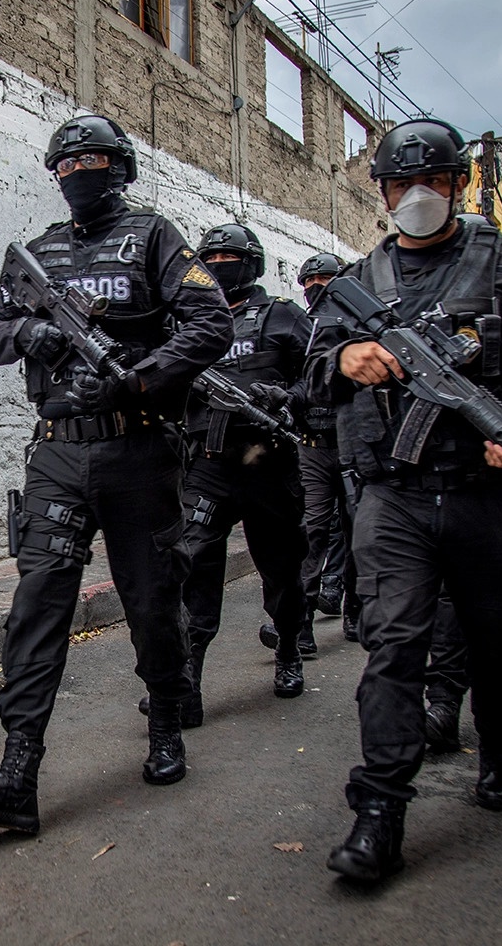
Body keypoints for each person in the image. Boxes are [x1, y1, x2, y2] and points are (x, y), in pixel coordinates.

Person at [308, 119, 502, 882]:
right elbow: (312, 376)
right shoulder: (360, 280)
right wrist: (346, 358)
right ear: (385, 194)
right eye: (404, 184)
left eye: (435, 182)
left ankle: (499, 748)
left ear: (460, 185)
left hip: (487, 493)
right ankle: (379, 813)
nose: (419, 196)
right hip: (393, 496)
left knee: (497, 642)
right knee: (394, 647)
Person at [0, 114, 232, 835]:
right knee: (37, 605)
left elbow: (210, 325)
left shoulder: (155, 236)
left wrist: (139, 380)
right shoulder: (37, 253)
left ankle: (166, 716)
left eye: (93, 159)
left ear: (121, 166)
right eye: (66, 163)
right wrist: (30, 331)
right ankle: (17, 773)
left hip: (138, 450)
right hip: (59, 453)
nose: (79, 171)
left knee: (150, 598)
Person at [142, 221, 311, 730]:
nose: (218, 268)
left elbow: (319, 378)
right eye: (208, 261)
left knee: (281, 568)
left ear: (251, 264)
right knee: (191, 569)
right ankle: (187, 685)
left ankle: (288, 648)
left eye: (227, 260)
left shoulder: (282, 317)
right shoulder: (186, 324)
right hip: (208, 465)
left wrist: (286, 399)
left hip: (269, 461)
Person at [294, 253, 361, 644]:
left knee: (356, 532)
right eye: (310, 280)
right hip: (312, 445)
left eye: (325, 278)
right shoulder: (298, 326)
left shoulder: (356, 329)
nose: (316, 286)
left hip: (351, 446)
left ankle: (355, 610)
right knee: (312, 529)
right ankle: (301, 624)